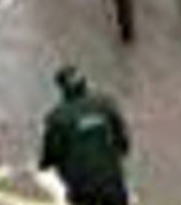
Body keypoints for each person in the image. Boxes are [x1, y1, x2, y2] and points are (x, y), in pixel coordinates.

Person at [38, 67, 131, 205]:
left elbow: (51, 155)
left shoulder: (57, 118)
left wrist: (44, 165)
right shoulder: (105, 104)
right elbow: (123, 142)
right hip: (111, 181)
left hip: (81, 186)